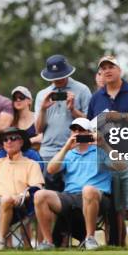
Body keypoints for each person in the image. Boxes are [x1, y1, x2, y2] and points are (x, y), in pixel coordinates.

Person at [35, 118, 118, 250]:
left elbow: (120, 166)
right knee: (40, 195)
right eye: (74, 130)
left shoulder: (100, 150)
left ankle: (90, 239)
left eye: (81, 130)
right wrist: (66, 147)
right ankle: (48, 242)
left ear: (90, 133)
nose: (77, 132)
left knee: (88, 189)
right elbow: (51, 169)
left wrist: (104, 145)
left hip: (97, 197)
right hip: (70, 196)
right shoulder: (68, 153)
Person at [87, 55, 128, 248]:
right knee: (115, 208)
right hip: (105, 158)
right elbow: (90, 126)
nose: (107, 70)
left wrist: (119, 116)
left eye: (111, 66)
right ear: (100, 73)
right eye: (103, 68)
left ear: (120, 70)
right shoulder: (96, 98)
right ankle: (117, 247)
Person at [35, 55, 91, 191]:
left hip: (75, 150)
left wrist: (73, 109)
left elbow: (90, 124)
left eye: (61, 75)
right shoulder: (42, 94)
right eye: (54, 76)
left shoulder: (82, 90)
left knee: (74, 193)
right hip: (48, 152)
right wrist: (43, 108)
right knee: (49, 197)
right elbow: (38, 129)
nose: (58, 79)